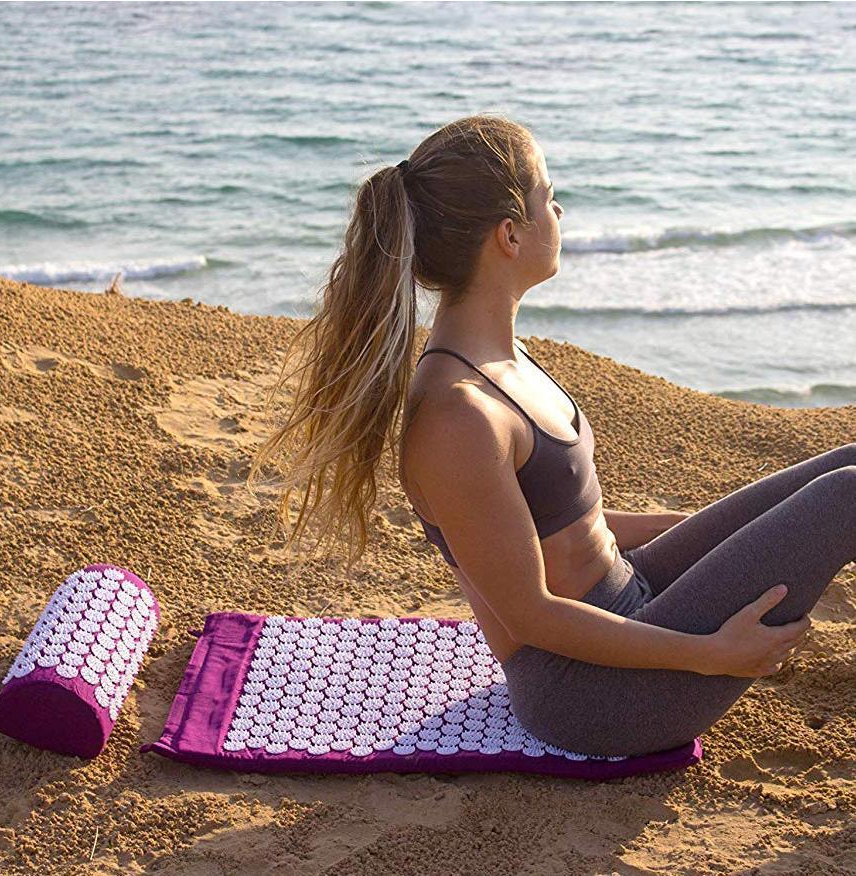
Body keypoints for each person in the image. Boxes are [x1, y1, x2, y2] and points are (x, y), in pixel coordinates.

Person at [248, 113, 855, 757]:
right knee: (847, 495)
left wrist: (716, 530)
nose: (559, 210)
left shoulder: (500, 359)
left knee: (842, 465)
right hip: (589, 692)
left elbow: (563, 529)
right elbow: (531, 613)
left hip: (629, 594)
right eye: (548, 196)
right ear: (510, 234)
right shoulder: (458, 416)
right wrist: (710, 654)